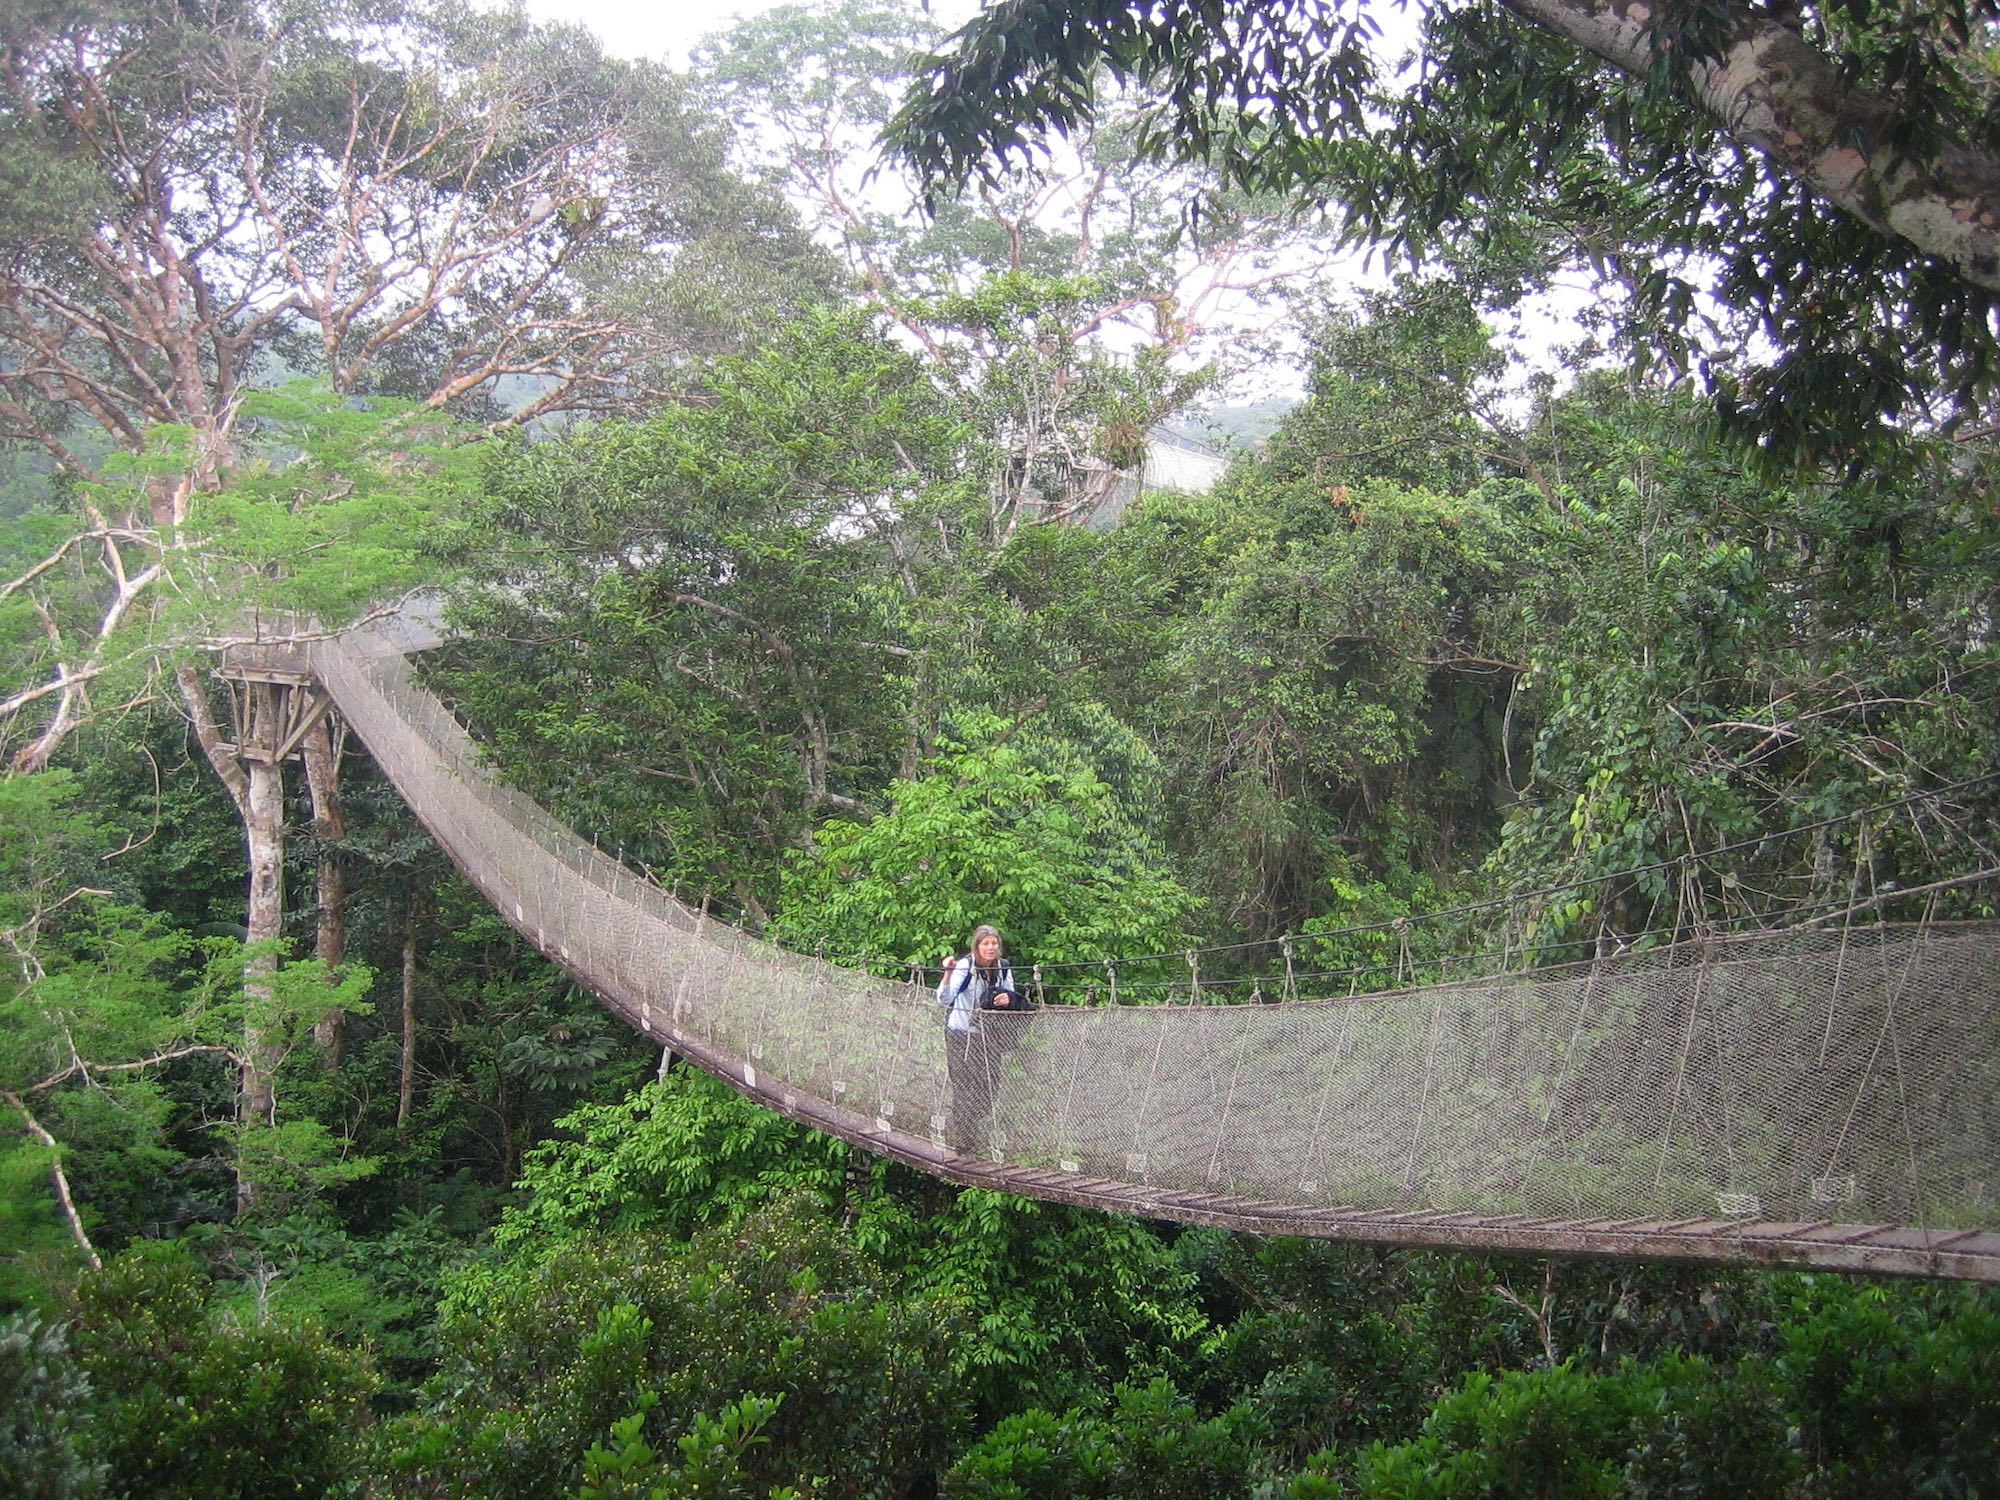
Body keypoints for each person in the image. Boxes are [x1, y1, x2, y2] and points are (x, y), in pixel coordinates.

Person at [935, 924, 1019, 1154]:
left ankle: (964, 1125)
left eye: (994, 943)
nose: (991, 948)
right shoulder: (965, 966)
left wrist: (1007, 998)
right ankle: (965, 1144)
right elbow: (944, 998)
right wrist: (948, 972)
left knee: (989, 1090)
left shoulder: (1002, 968)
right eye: (986, 943)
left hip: (988, 1037)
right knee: (964, 1089)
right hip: (960, 1035)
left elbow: (1012, 998)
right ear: (977, 945)